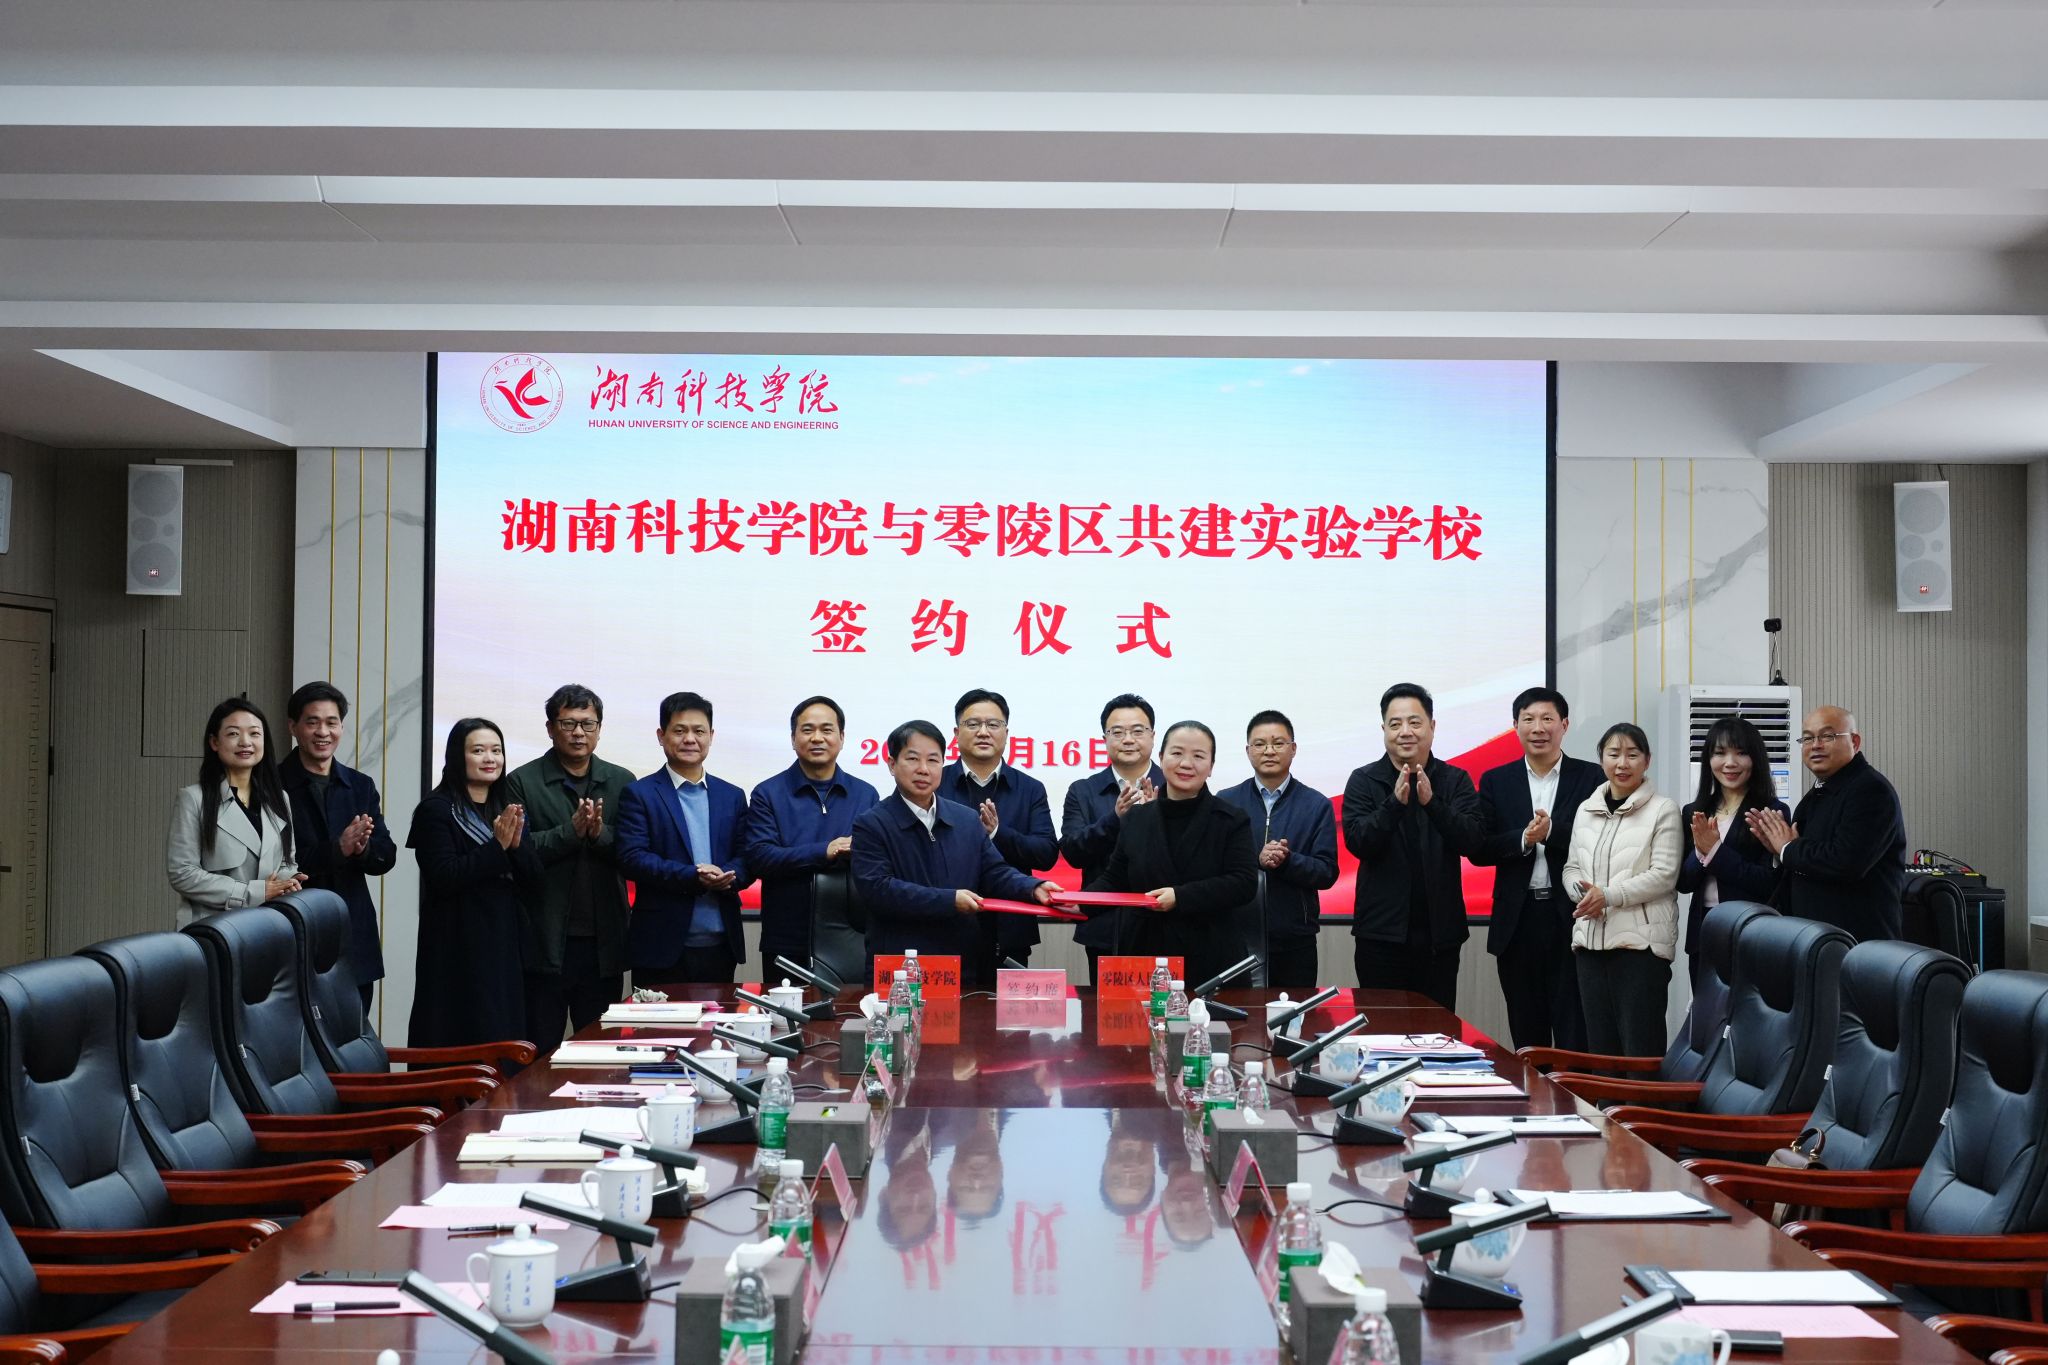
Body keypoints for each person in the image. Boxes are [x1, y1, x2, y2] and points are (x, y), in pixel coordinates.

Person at [851, 720, 1060, 985]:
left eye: (933, 760)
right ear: (892, 764)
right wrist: (950, 900)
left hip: (959, 963)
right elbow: (879, 890)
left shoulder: (966, 819)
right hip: (901, 966)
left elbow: (995, 872)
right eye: (912, 759)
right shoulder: (871, 824)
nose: (923, 769)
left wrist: (1033, 887)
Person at [1470, 687, 1604, 1051]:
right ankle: (1533, 1090)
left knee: (1574, 1030)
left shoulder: (1591, 778)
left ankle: (1573, 1089)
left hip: (1572, 917)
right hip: (1518, 921)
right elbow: (1479, 848)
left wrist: (1552, 833)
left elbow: (1600, 840)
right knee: (1527, 1033)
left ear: (1564, 725)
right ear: (1515, 726)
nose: (1538, 728)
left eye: (1547, 719)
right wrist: (1524, 839)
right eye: (1528, 719)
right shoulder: (1496, 780)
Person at [1083, 720, 1258, 988]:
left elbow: (1243, 883)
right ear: (1162, 758)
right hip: (1146, 955)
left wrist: (1180, 896)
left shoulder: (1230, 819)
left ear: (1211, 766)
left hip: (1211, 956)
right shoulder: (1136, 818)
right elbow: (1114, 879)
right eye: (1177, 753)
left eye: (1198, 756)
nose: (1186, 763)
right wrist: (1077, 902)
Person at [1340, 683, 1482, 1011]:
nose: (1405, 731)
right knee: (1381, 1027)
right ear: (1384, 730)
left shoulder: (1455, 780)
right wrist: (1393, 804)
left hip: (1440, 937)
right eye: (1395, 724)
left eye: (1415, 722)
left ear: (1432, 726)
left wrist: (1433, 804)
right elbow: (1359, 842)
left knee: (1437, 1029)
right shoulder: (1364, 780)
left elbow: (1473, 841)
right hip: (1380, 936)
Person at [507, 684, 634, 1044]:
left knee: (601, 1047)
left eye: (587, 724)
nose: (579, 732)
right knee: (539, 1047)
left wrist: (598, 834)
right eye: (568, 723)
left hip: (603, 944)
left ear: (599, 729)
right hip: (544, 942)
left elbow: (634, 849)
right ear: (551, 728)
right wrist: (571, 832)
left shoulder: (621, 781)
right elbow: (517, 850)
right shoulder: (522, 781)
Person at [406, 718, 536, 1048]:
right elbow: (444, 876)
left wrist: (515, 847)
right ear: (457, 755)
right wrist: (497, 847)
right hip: (455, 942)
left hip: (502, 940)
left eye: (496, 750)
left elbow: (534, 877)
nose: (490, 758)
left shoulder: (507, 807)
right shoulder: (436, 809)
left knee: (501, 1029)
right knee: (457, 1030)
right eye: (478, 751)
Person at [616, 691, 754, 985]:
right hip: (660, 945)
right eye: (679, 731)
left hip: (721, 944)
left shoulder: (732, 795)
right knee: (658, 1018)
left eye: (698, 731)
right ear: (661, 735)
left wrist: (729, 876)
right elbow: (632, 858)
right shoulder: (639, 794)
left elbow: (747, 856)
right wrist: (693, 876)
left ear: (711, 736)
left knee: (717, 1017)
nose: (690, 739)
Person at [1562, 723, 1682, 1058]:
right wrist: (1582, 893)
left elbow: (1664, 875)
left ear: (1647, 760)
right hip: (1589, 945)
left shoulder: (1663, 809)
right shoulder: (1586, 809)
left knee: (1640, 1051)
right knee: (1601, 1053)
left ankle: (1640, 1100)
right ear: (1601, 759)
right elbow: (1571, 867)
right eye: (1613, 754)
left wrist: (1607, 896)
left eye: (1632, 754)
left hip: (1640, 950)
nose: (1622, 763)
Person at [278, 681, 397, 1013]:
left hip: (352, 934)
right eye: (312, 722)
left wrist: (362, 850)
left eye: (332, 722)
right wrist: (338, 849)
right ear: (293, 727)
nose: (323, 732)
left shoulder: (360, 785)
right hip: (294, 932)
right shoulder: (272, 785)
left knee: (354, 1030)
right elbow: (275, 863)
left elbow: (386, 856)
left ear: (341, 728)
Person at [1747, 706, 1907, 942]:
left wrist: (1788, 849)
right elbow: (1803, 861)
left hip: (1857, 943)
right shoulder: (1818, 793)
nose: (1815, 745)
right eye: (1808, 738)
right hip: (1814, 938)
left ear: (1854, 741)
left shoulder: (1871, 790)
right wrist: (1778, 851)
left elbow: (1846, 862)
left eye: (1827, 736)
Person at [746, 695, 881, 970]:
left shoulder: (866, 795)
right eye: (807, 730)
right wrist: (825, 851)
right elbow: (760, 857)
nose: (817, 738)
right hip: (787, 937)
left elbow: (876, 862)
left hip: (852, 936)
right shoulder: (767, 793)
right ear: (793, 739)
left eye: (827, 730)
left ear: (842, 738)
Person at [1216, 710, 1338, 988]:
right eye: (1259, 744)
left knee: (1294, 1012)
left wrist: (1287, 861)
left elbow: (1327, 871)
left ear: (1293, 749)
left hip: (1295, 938)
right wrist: (1255, 859)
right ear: (1248, 751)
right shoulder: (1226, 802)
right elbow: (1213, 864)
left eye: (1278, 743)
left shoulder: (1317, 804)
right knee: (1238, 1013)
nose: (1269, 751)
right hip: (1237, 935)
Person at [942, 689, 1059, 968]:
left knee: (1009, 998)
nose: (983, 732)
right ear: (956, 733)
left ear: (1006, 733)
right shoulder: (936, 783)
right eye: (973, 724)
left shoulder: (1029, 788)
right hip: (946, 924)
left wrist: (997, 833)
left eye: (993, 724)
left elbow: (1046, 854)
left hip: (1011, 927)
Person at [1060, 693, 1166, 983]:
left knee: (1164, 1004)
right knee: (1105, 1008)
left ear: (1153, 736)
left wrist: (1156, 817)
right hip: (1104, 925)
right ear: (1104, 739)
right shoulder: (1083, 790)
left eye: (1137, 731)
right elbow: (1072, 851)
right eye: (1117, 732)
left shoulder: (1174, 787)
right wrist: (1115, 818)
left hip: (1164, 923)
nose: (1128, 740)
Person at [1676, 716, 1791, 984]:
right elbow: (1683, 882)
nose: (1730, 763)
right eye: (1720, 753)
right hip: (1704, 931)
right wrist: (1701, 852)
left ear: (1756, 759)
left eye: (1741, 753)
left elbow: (1769, 883)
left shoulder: (1770, 811)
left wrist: (1715, 852)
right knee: (1706, 1008)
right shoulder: (1694, 811)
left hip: (1750, 930)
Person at [165, 697, 299, 926]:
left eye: (254, 734)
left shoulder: (279, 799)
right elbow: (182, 873)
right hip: (214, 928)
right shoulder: (194, 798)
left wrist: (289, 880)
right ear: (214, 742)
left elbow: (287, 861)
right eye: (234, 734)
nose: (245, 742)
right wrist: (253, 893)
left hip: (270, 926)